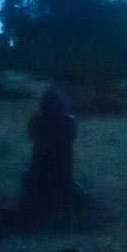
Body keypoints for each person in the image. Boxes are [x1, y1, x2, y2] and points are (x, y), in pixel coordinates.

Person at [20, 83, 82, 215]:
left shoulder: (37, 122)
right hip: (62, 178)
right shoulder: (68, 123)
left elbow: (31, 134)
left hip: (41, 179)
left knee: (26, 175)